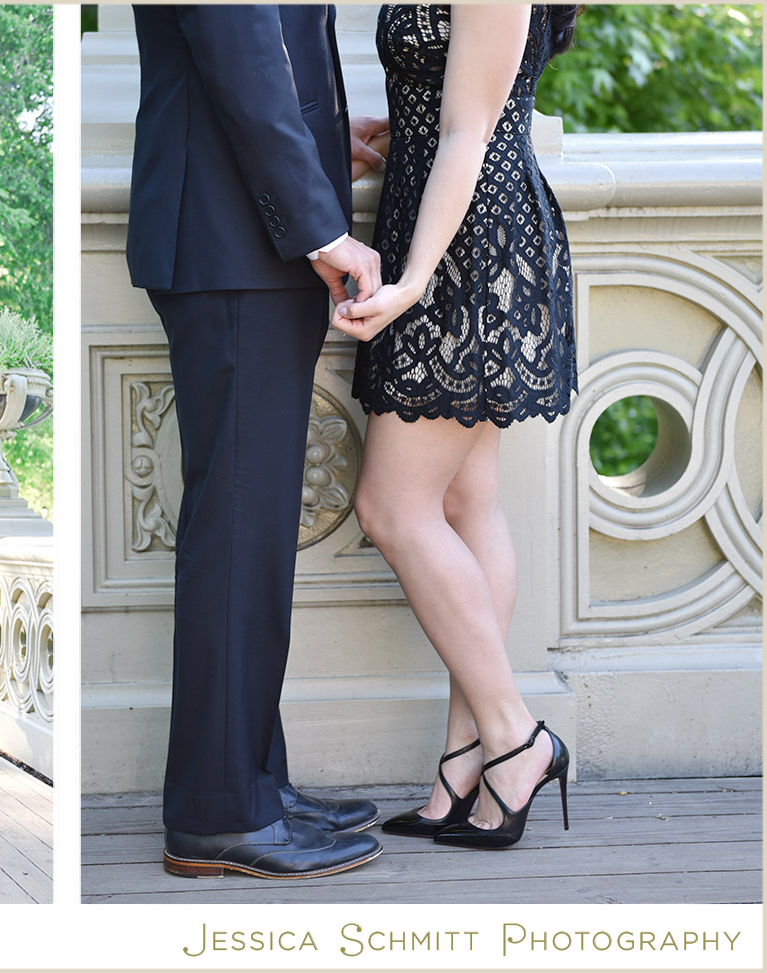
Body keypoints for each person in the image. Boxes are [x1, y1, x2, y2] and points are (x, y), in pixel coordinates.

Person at [128, 4, 389, 879]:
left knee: (250, 536)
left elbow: (259, 52)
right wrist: (320, 221)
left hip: (237, 234)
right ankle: (217, 812)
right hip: (235, 243)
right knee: (239, 540)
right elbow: (239, 49)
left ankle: (252, 783)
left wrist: (321, 146)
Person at [332, 4, 580, 847]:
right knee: (469, 502)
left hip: (469, 247)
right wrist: (393, 128)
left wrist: (409, 285)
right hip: (445, 224)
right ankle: (463, 763)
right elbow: (455, 101)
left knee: (393, 508)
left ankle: (518, 736)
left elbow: (474, 133)